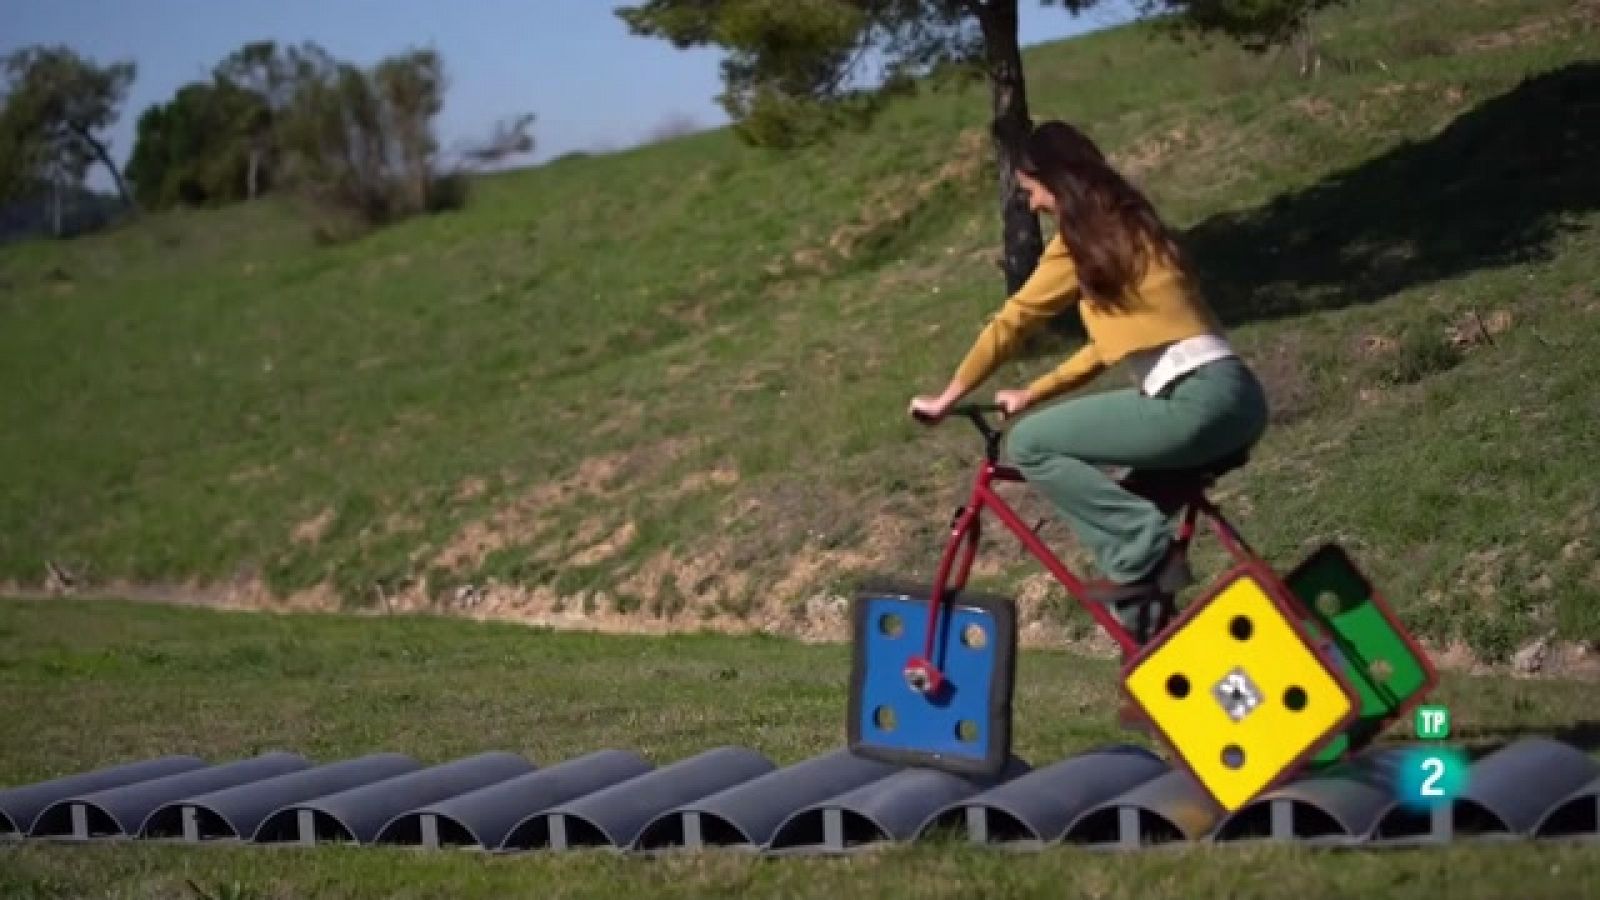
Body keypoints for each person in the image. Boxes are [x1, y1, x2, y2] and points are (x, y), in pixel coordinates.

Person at [908, 119, 1270, 647]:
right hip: (1235, 396)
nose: (1031, 206)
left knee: (1030, 444)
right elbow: (1107, 348)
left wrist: (948, 396)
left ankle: (1146, 550)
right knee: (1130, 520)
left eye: (1030, 191)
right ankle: (1154, 652)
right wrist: (1033, 393)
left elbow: (1014, 320)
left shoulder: (1078, 244)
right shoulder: (1131, 227)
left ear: (1053, 183)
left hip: (1191, 401)